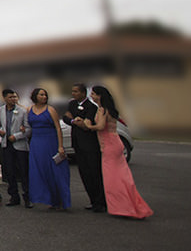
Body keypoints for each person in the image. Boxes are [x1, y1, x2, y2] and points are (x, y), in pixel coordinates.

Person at [84, 85, 152, 219]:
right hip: (114, 143)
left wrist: (88, 124)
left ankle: (123, 207)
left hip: (110, 145)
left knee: (113, 178)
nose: (91, 96)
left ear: (100, 95)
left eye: (93, 94)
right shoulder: (109, 109)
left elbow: (100, 126)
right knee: (122, 176)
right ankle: (125, 205)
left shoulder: (103, 110)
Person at [63, 82, 106, 213]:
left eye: (76, 91)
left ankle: (101, 202)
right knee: (85, 174)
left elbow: (86, 124)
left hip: (90, 145)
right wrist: (73, 121)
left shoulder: (91, 107)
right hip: (77, 144)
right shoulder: (72, 104)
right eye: (72, 91)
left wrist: (78, 121)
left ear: (83, 93)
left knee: (95, 173)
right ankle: (92, 200)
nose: (73, 94)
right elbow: (66, 117)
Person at [27, 87, 70, 210]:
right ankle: (47, 198)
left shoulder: (50, 110)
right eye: (41, 95)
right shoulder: (30, 109)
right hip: (36, 142)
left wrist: (60, 146)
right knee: (39, 170)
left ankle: (59, 199)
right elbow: (27, 124)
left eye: (45, 95)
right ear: (35, 96)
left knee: (54, 171)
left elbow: (58, 128)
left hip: (50, 141)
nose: (44, 97)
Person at [0, 88, 31, 207]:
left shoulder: (22, 111)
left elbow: (28, 129)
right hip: (6, 144)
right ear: (4, 98)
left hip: (19, 145)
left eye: (14, 97)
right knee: (10, 171)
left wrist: (17, 136)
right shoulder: (0, 111)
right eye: (10, 97)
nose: (13, 99)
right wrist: (0, 131)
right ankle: (14, 197)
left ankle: (28, 197)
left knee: (24, 172)